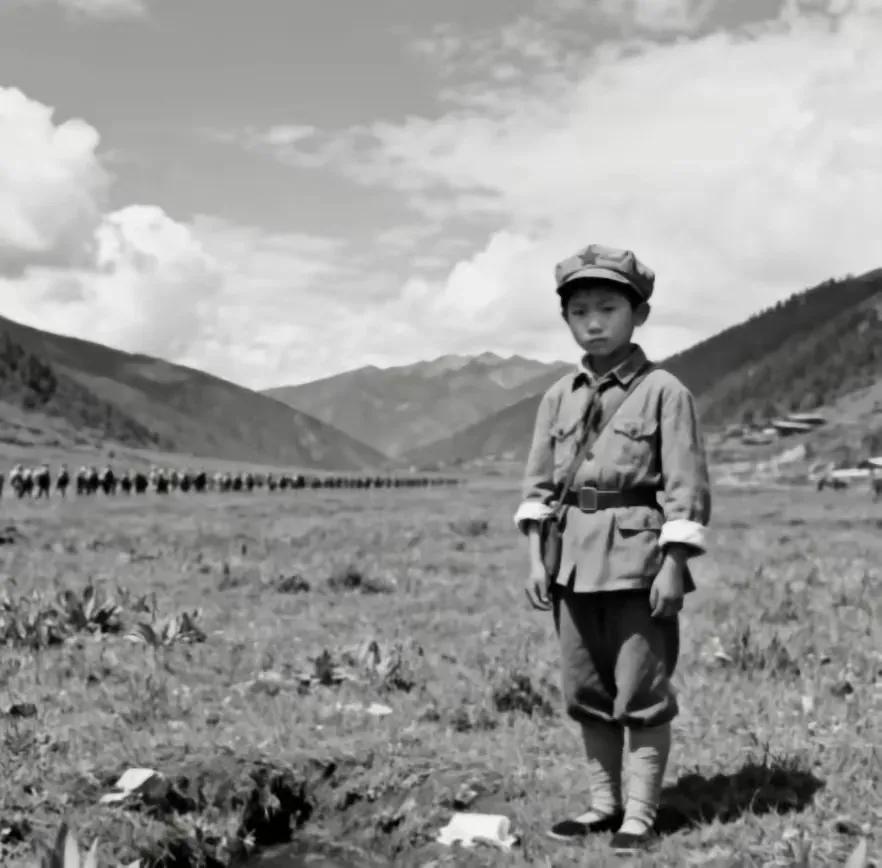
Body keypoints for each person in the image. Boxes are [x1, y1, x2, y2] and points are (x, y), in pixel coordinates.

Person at [514, 243, 712, 855]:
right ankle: (604, 805)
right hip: (571, 564)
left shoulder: (665, 391)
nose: (593, 323)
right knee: (585, 692)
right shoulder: (559, 396)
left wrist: (674, 566)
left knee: (641, 691)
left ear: (639, 315)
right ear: (566, 319)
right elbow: (538, 487)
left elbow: (685, 487)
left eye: (607, 308)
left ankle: (641, 815)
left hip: (637, 564)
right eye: (579, 312)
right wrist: (536, 560)